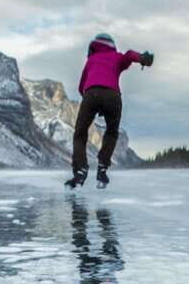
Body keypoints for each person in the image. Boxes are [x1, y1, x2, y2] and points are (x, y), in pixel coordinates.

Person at [65, 33, 153, 189]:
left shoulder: (91, 60)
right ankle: (102, 170)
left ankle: (80, 171)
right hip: (113, 96)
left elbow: (81, 86)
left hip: (90, 94)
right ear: (111, 45)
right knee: (111, 132)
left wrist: (92, 101)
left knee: (80, 133)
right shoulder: (117, 57)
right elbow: (130, 55)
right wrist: (142, 58)